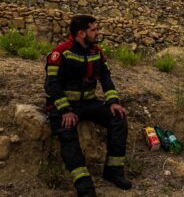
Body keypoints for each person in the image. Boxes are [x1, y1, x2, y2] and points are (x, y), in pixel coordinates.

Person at [44, 15, 131, 196]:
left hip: (89, 103)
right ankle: (84, 187)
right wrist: (65, 110)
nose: (97, 32)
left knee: (119, 119)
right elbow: (52, 85)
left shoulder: (96, 52)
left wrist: (113, 102)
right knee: (68, 135)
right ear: (81, 33)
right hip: (64, 106)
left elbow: (106, 78)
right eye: (94, 29)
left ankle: (113, 172)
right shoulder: (61, 53)